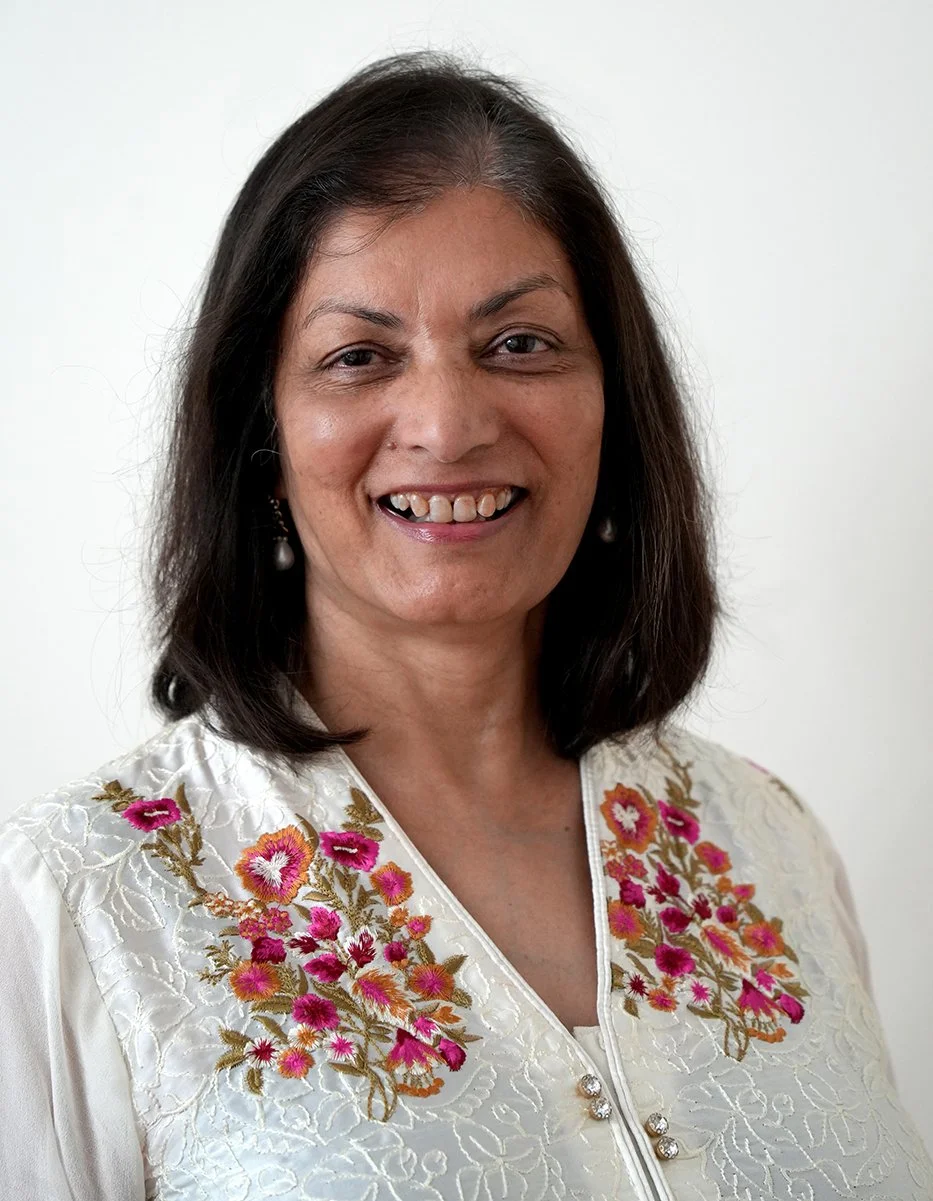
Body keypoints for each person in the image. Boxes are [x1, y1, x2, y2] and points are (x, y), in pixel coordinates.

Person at [1, 49, 929, 1201]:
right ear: (263, 441)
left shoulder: (778, 848)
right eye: (359, 357)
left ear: (613, 408)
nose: (445, 424)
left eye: (520, 344)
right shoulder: (77, 903)